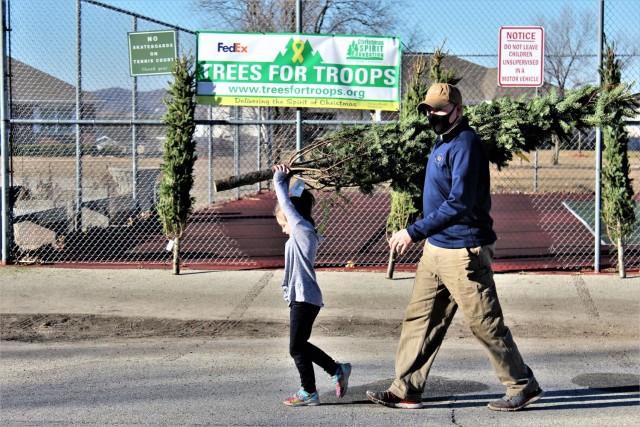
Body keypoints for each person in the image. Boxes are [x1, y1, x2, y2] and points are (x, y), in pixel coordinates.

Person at [366, 83, 543, 411]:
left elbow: (459, 204)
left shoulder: (466, 144)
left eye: (440, 110)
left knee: (484, 323)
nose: (433, 115)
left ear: (458, 110)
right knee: (420, 319)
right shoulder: (442, 139)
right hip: (436, 249)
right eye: (429, 110)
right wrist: (425, 234)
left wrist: (412, 231)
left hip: (464, 251)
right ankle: (407, 388)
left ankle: (522, 384)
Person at [272, 163, 352, 407]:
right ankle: (335, 371)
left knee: (296, 347)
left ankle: (312, 389)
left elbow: (287, 205)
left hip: (305, 298)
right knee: (299, 346)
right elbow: (290, 204)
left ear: (292, 218)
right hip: (302, 297)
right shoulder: (303, 230)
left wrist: (278, 181)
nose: (284, 230)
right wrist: (288, 181)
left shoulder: (302, 230)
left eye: (283, 225)